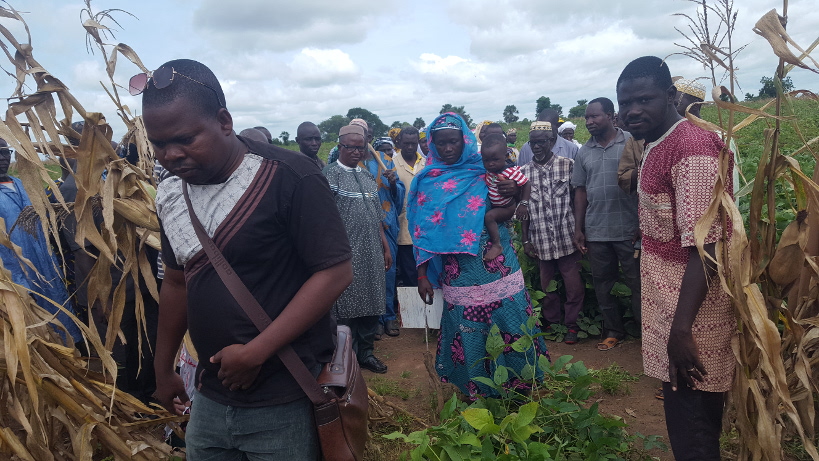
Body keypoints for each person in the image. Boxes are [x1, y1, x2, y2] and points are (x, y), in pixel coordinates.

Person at [145, 58, 353, 460]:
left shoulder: (290, 176)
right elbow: (176, 281)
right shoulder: (171, 193)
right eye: (158, 144)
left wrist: (256, 352)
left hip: (286, 395)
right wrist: (163, 368)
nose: (170, 155)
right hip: (209, 394)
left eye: (185, 139)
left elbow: (335, 272)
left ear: (224, 121)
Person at [617, 56, 735, 461]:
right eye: (625, 103)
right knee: (685, 418)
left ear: (670, 95)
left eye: (644, 100)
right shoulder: (656, 142)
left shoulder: (691, 148)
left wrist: (682, 330)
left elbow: (708, 247)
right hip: (671, 307)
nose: (632, 111)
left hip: (694, 317)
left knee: (694, 428)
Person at [408, 113, 549, 400]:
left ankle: (522, 385)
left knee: (509, 317)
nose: (448, 148)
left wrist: (514, 194)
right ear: (432, 144)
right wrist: (422, 275)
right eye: (441, 143)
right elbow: (422, 231)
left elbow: (511, 208)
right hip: (459, 270)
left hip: (497, 262)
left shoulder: (484, 168)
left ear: (464, 140)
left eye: (453, 141)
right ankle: (476, 390)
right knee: (467, 325)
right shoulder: (428, 180)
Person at [572, 97, 641, 351]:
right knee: (603, 284)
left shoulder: (631, 142)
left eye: (594, 116)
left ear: (611, 116)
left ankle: (646, 331)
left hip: (629, 228)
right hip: (597, 230)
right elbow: (580, 191)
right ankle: (614, 330)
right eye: (587, 118)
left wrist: (642, 221)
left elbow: (645, 183)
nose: (589, 121)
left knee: (637, 283)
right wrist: (579, 229)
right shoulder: (584, 152)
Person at [323, 125, 392, 373]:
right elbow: (323, 219)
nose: (355, 151)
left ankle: (366, 354)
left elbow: (377, 217)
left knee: (372, 302)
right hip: (346, 253)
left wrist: (385, 247)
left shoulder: (366, 176)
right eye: (350, 147)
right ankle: (346, 358)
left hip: (372, 250)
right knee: (346, 307)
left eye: (360, 148)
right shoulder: (329, 175)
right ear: (340, 147)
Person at [0, 140, 82, 343]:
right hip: (14, 274)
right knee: (31, 330)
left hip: (45, 267)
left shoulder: (24, 185)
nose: (3, 158)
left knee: (60, 317)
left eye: (5, 152)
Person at [520, 122, 585, 345]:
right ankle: (552, 323)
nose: (537, 147)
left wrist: (579, 230)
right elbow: (523, 210)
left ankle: (572, 325)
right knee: (546, 286)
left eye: (541, 142)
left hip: (567, 237)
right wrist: (525, 240)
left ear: (551, 141)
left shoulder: (567, 165)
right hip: (541, 240)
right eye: (533, 143)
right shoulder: (524, 173)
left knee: (573, 285)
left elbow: (578, 200)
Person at [481, 133, 530, 261]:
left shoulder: (510, 171)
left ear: (505, 155)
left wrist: (523, 203)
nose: (491, 164)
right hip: (498, 205)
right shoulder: (490, 171)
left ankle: (497, 245)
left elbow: (526, 183)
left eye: (495, 159)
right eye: (486, 160)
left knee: (489, 217)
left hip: (507, 207)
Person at [393, 126, 425, 287]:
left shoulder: (426, 163)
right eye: (406, 143)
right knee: (410, 275)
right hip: (403, 228)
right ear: (399, 142)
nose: (410, 147)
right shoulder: (391, 165)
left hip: (426, 228)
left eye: (413, 143)